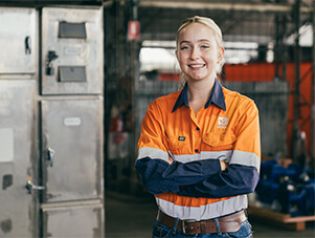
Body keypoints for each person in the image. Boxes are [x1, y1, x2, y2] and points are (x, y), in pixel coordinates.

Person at [135, 16, 261, 238]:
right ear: (178, 55)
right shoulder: (158, 111)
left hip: (227, 233)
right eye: (185, 47)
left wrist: (174, 180)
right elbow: (151, 177)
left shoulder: (243, 109)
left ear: (220, 54)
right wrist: (215, 167)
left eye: (204, 46)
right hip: (170, 231)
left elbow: (243, 179)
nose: (194, 55)